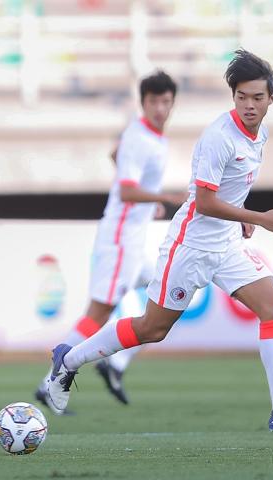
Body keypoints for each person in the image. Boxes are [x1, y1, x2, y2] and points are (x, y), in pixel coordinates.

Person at [46, 49, 273, 433]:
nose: (249, 105)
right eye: (242, 97)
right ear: (233, 97)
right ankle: (69, 361)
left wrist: (241, 217)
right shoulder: (218, 137)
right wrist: (257, 218)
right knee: (151, 329)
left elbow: (230, 190)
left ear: (271, 99)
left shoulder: (260, 132)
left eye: (257, 98)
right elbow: (206, 201)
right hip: (191, 246)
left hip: (227, 243)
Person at [34, 71, 185, 412]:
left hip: (134, 239)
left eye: (166, 101)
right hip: (120, 240)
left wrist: (151, 201)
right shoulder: (141, 138)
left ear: (172, 102)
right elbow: (128, 189)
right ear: (142, 103)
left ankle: (114, 364)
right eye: (153, 102)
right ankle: (50, 383)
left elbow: (115, 157)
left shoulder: (150, 136)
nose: (160, 108)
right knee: (99, 313)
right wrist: (165, 196)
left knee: (177, 285)